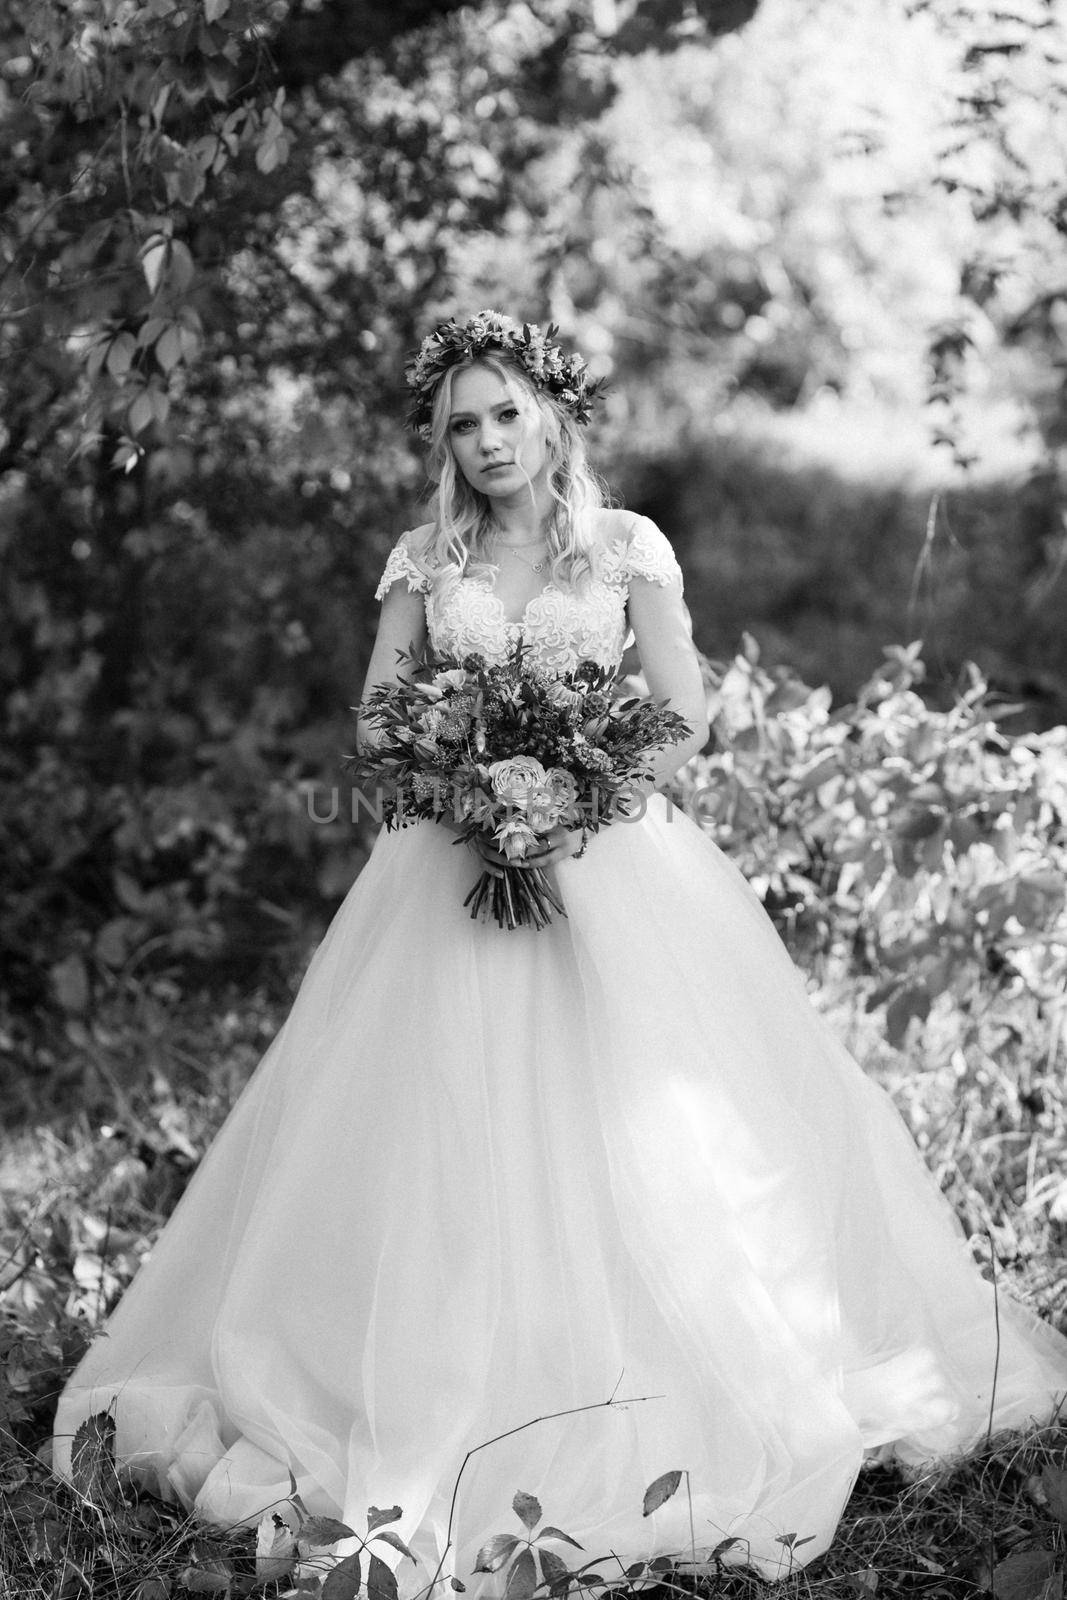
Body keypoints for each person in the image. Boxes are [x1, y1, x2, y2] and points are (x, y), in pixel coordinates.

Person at [54, 311, 1067, 1589]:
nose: (484, 442)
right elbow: (377, 713)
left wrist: (576, 783)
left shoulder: (626, 548)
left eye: (503, 415)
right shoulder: (423, 558)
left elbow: (682, 711)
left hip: (612, 862)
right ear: (442, 444)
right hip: (445, 865)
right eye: (459, 425)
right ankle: (422, 1378)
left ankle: (679, 1367)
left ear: (550, 419)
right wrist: (463, 768)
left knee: (657, 1125)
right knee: (437, 1129)